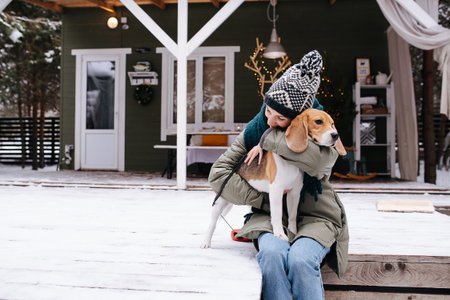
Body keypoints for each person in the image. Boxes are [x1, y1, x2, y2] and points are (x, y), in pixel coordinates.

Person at [208, 50, 349, 300]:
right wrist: (266, 196)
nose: (270, 120)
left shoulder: (320, 126)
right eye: (267, 111)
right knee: (273, 255)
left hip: (317, 217)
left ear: (297, 120)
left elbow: (317, 164)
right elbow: (218, 175)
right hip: (268, 217)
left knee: (301, 260)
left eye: (280, 117)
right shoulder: (256, 128)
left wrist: (269, 141)